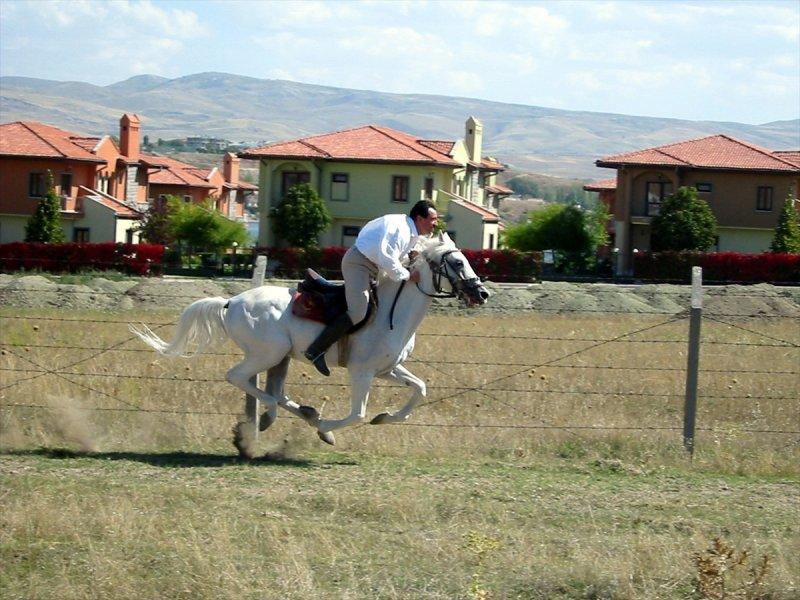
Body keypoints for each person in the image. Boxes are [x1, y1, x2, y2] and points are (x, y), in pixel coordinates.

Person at [304, 200, 439, 376]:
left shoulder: (410, 231)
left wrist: (411, 255)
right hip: (358, 264)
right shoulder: (401, 230)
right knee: (358, 310)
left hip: (373, 266)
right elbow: (389, 261)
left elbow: (400, 254)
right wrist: (408, 275)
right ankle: (316, 350)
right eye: (433, 219)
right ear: (420, 218)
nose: (436, 224)